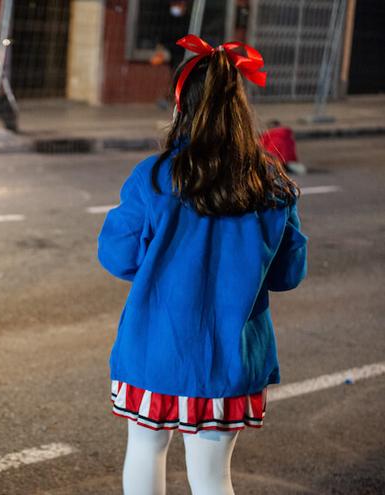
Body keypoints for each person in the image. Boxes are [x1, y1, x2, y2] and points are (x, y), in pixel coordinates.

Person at [98, 35, 307, 495]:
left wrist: (165, 267)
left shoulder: (153, 177)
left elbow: (116, 255)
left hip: (154, 351)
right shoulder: (270, 182)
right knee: (213, 476)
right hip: (229, 359)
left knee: (145, 450)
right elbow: (289, 273)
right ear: (239, 107)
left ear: (181, 108)